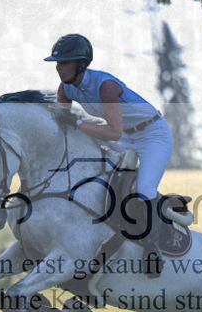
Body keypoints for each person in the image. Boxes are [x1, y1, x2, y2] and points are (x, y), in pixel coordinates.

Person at [45, 33, 173, 275]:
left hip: (152, 135)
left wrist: (78, 125)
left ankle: (152, 249)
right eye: (58, 63)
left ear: (81, 63)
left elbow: (112, 132)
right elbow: (62, 124)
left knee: (144, 189)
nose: (59, 68)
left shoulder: (106, 86)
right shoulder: (65, 89)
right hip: (126, 136)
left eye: (65, 62)